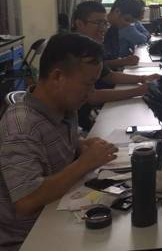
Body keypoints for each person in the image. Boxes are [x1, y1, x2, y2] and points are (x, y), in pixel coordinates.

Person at [0, 33, 118, 250]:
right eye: (88, 84)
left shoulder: (64, 106)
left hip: (59, 213)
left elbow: (61, 146)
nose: (91, 93)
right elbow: (26, 201)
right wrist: (85, 163)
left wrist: (81, 146)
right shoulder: (21, 127)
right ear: (57, 77)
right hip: (29, 238)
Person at [72, 0, 160, 131]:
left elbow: (109, 75)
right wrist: (138, 91)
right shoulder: (73, 50)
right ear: (79, 24)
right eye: (97, 23)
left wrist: (143, 79)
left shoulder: (89, 46)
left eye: (104, 23)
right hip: (77, 126)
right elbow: (91, 96)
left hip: (85, 120)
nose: (103, 28)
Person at [103, 0, 145, 67]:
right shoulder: (100, 29)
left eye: (131, 22)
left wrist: (123, 60)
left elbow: (111, 57)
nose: (127, 25)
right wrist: (122, 62)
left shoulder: (115, 27)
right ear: (117, 11)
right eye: (127, 20)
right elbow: (94, 65)